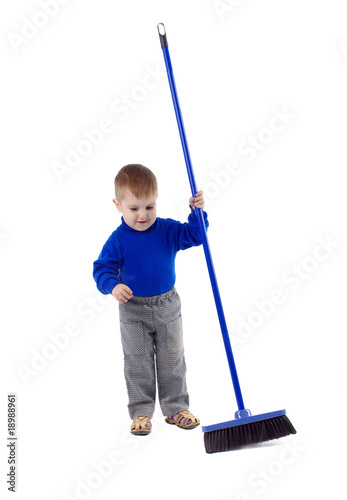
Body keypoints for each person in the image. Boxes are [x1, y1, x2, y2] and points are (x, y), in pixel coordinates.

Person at [93, 164, 208, 435]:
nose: (143, 215)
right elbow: (102, 268)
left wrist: (197, 213)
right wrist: (113, 285)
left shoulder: (167, 230)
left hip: (168, 305)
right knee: (137, 360)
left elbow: (196, 235)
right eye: (134, 209)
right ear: (118, 205)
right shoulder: (118, 240)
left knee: (172, 358)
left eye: (150, 207)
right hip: (133, 310)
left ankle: (176, 407)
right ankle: (142, 412)